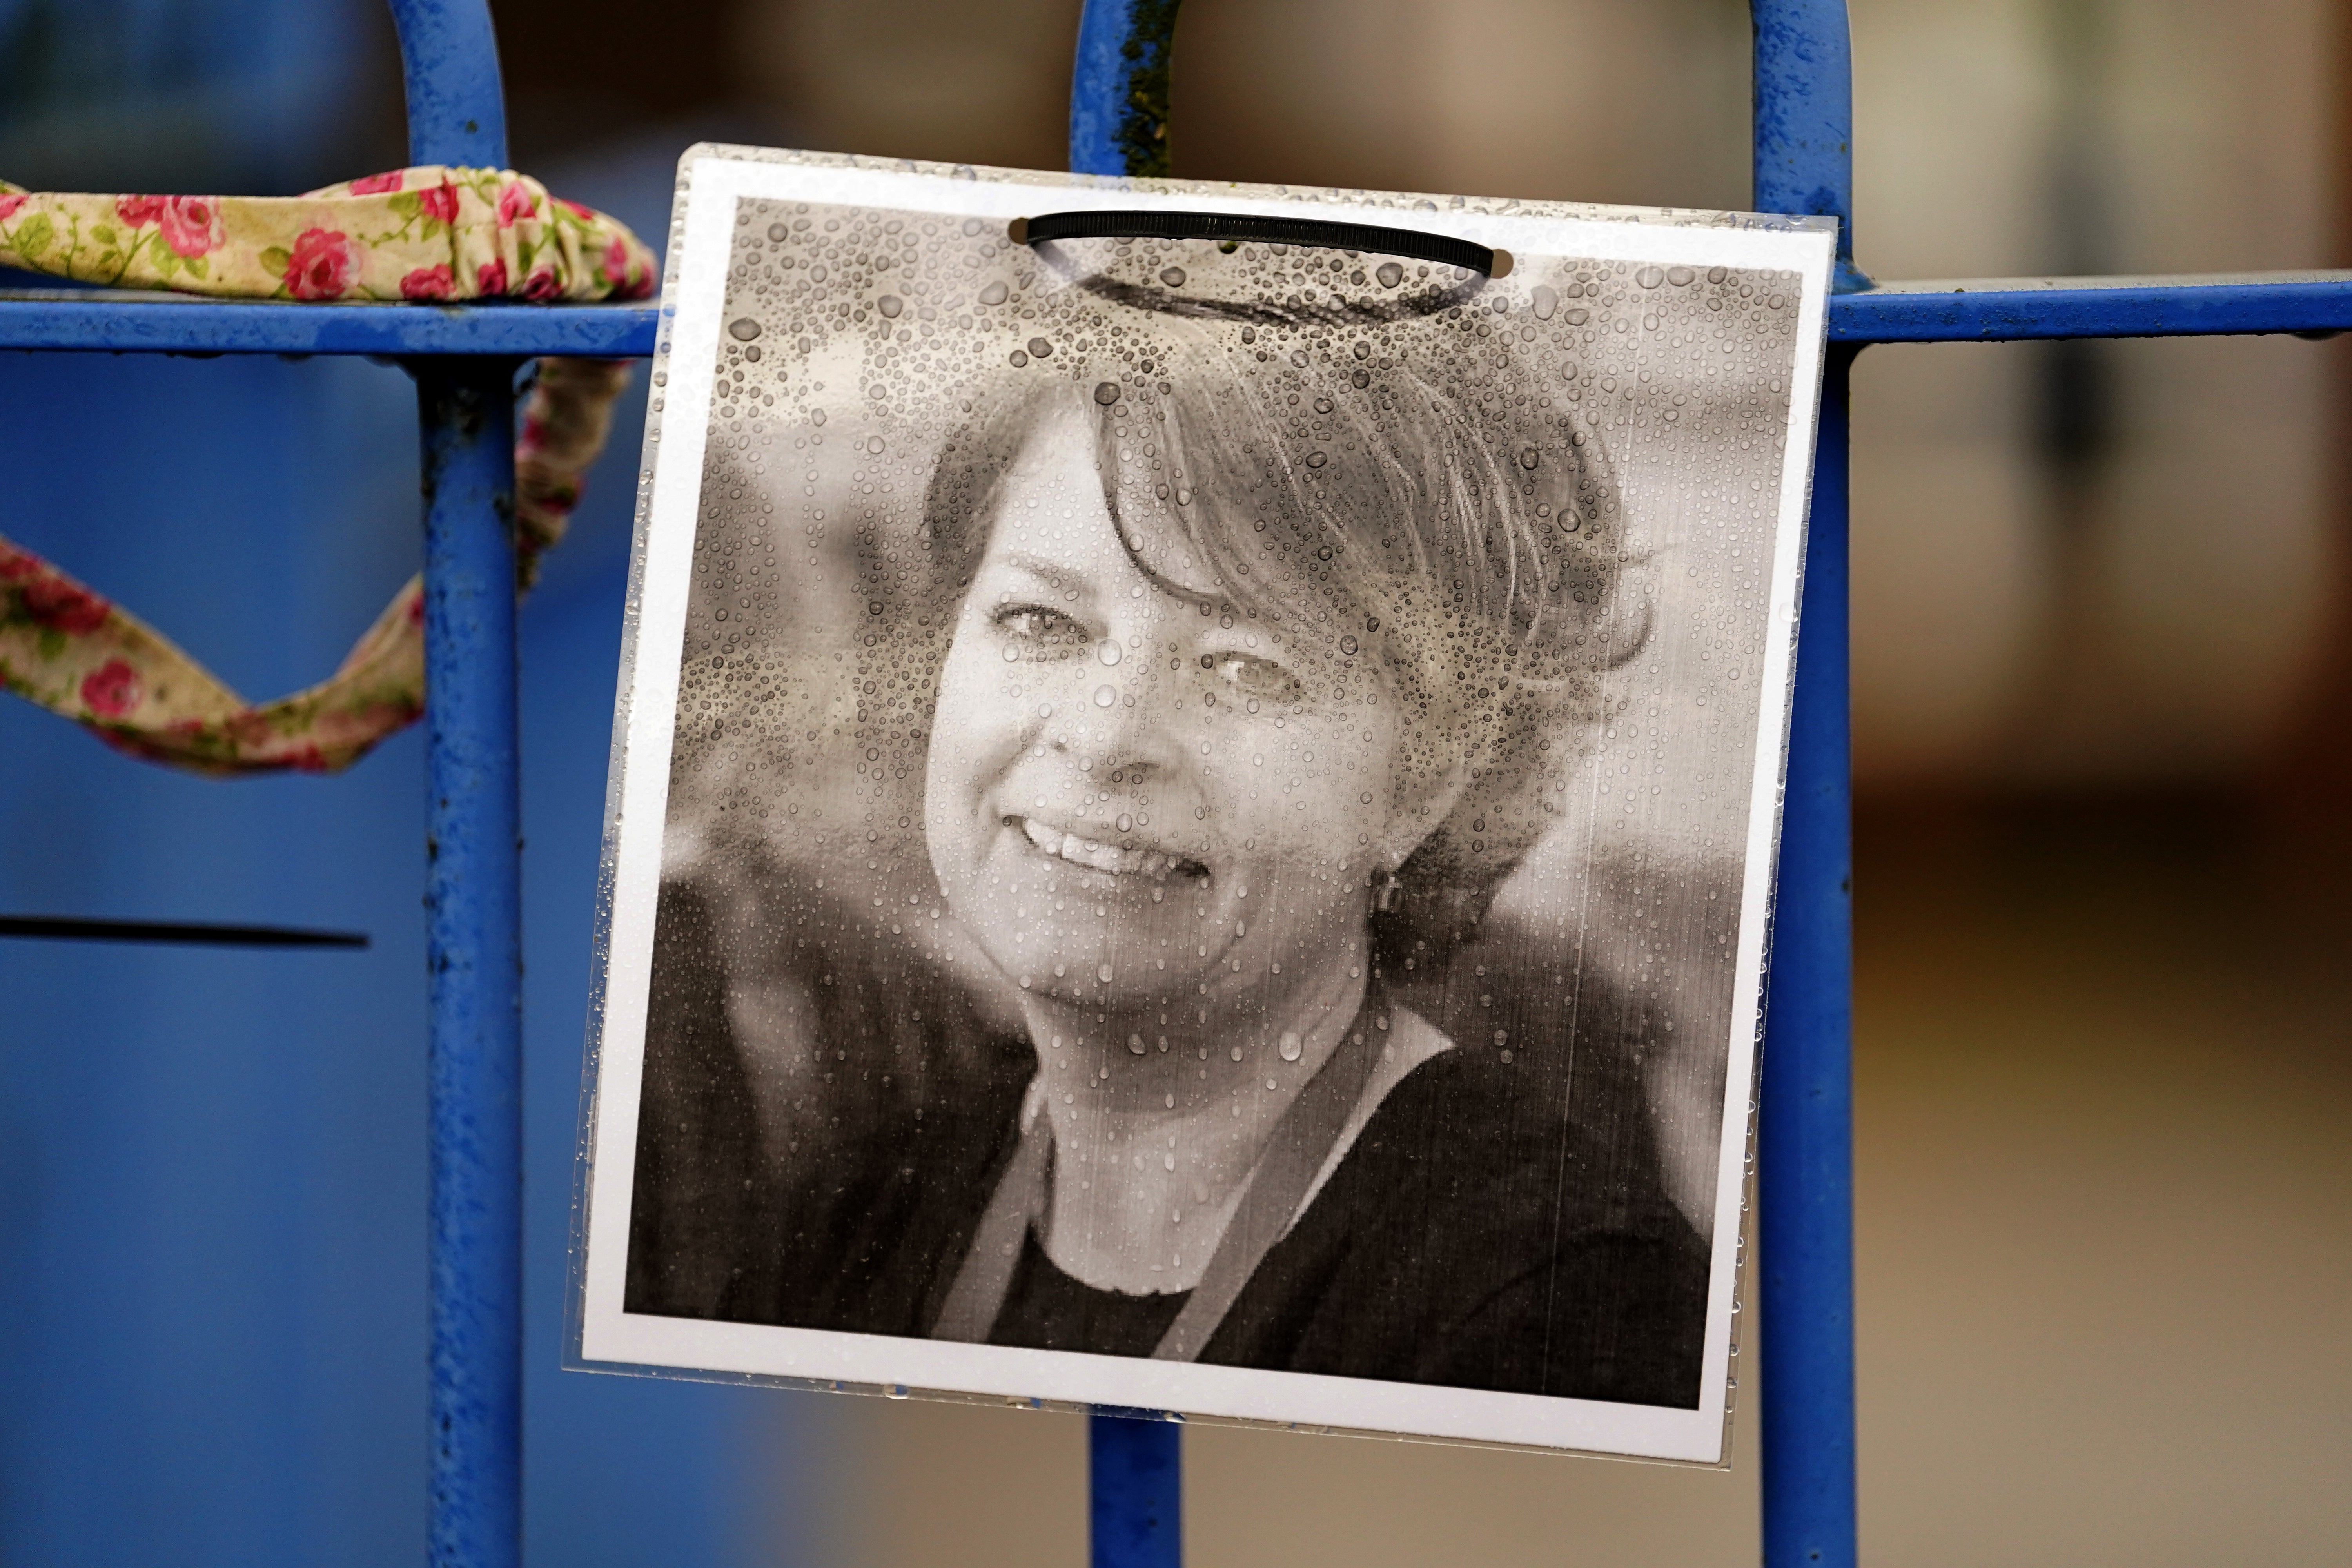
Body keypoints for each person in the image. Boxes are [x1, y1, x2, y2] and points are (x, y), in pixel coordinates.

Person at [627, 253, 1708, 1407]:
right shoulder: (869, 1206)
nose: (1104, 738)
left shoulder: (1564, 1306)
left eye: (1246, 665)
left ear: (1431, 781)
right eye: (1041, 620)